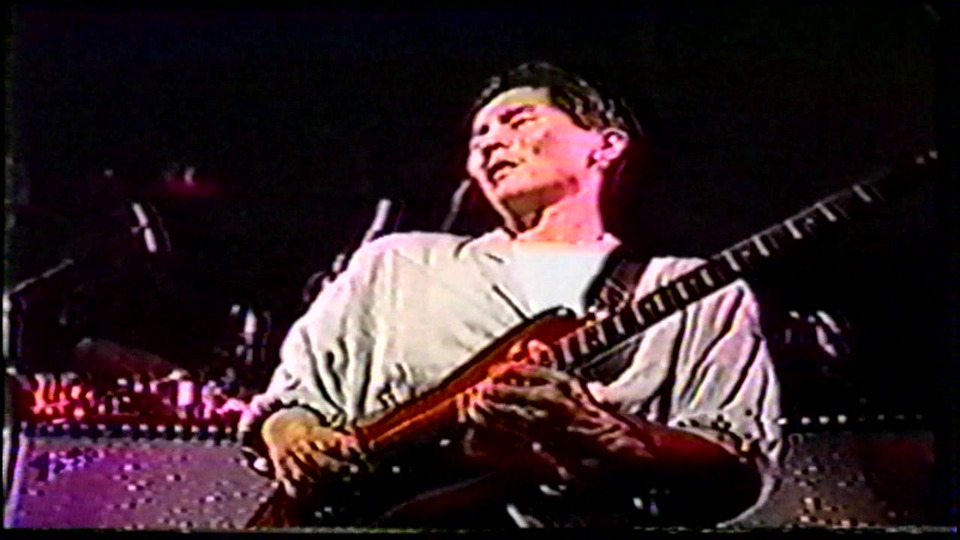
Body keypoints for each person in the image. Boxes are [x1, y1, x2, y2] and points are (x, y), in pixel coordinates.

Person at [238, 61, 783, 528]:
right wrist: (291, 432)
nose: (490, 142)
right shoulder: (397, 263)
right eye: (479, 136)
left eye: (519, 121)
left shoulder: (697, 293)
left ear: (607, 144)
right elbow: (292, 398)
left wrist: (604, 433)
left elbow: (737, 462)